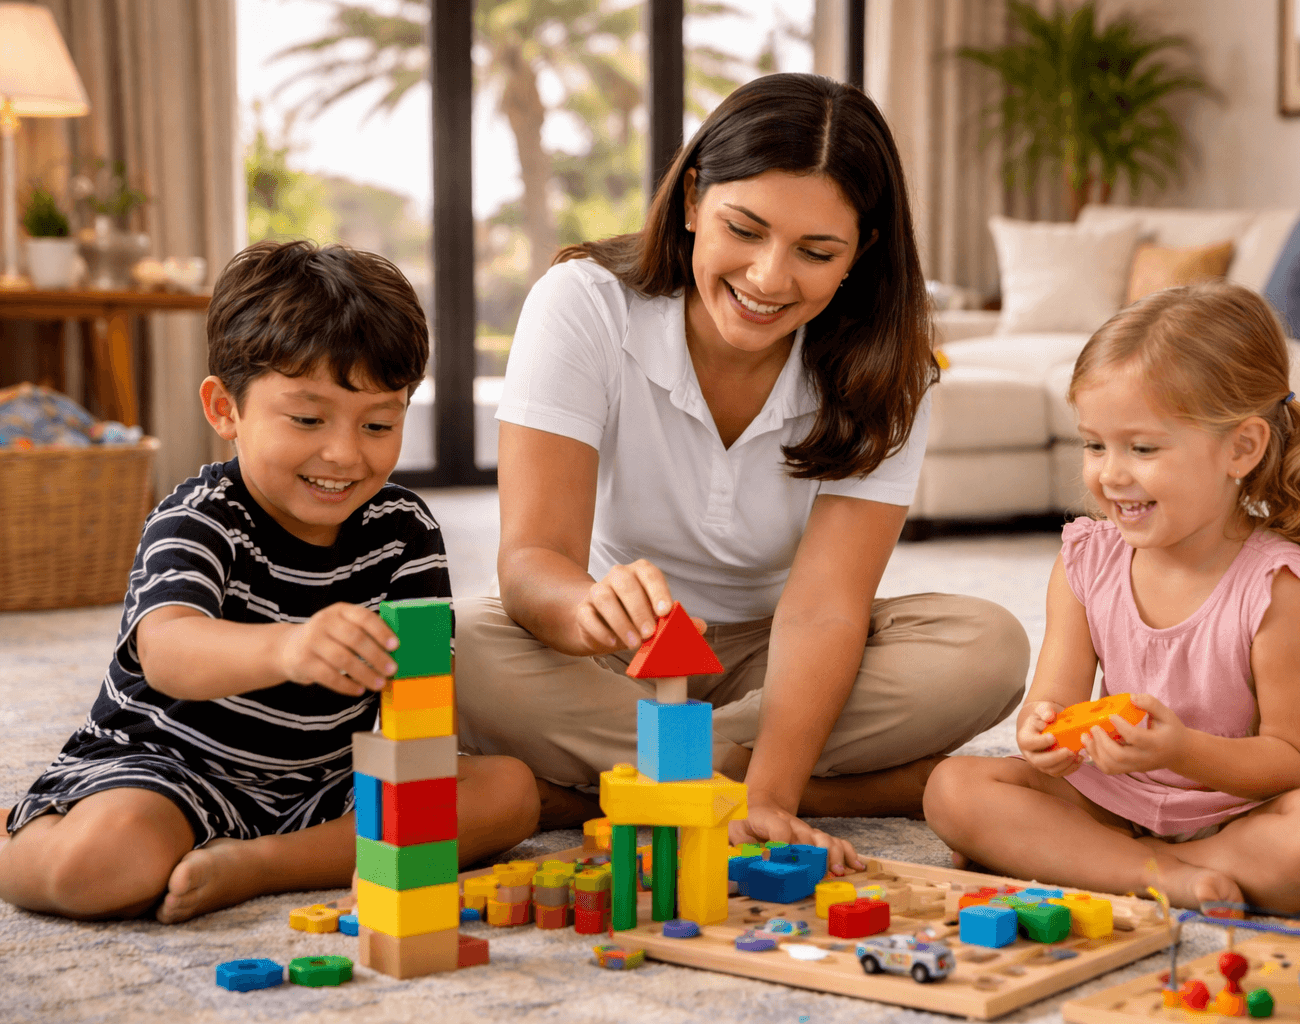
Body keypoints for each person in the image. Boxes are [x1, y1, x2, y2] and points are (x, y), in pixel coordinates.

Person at [455, 73, 1029, 870]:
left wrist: (773, 796)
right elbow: (531, 562)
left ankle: (625, 786)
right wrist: (586, 610)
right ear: (693, 201)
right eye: (745, 230)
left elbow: (825, 609)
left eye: (815, 252)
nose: (768, 278)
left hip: (781, 653)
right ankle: (808, 782)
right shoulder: (584, 303)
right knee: (458, 645)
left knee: (988, 647)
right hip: (615, 654)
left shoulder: (890, 369)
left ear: (860, 253)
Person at [0, 241, 538, 924]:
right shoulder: (199, 517)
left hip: (323, 783)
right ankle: (18, 835)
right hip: (172, 769)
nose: (344, 453)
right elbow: (168, 651)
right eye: (307, 419)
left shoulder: (405, 531)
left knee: (508, 794)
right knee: (101, 866)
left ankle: (256, 866)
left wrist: (408, 839)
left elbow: (423, 697)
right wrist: (288, 648)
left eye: (379, 423)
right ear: (225, 409)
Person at [923, 282, 1300, 913]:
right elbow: (1053, 703)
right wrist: (1042, 735)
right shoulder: (1085, 560)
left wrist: (1181, 749)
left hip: (1249, 807)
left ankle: (1099, 862)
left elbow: (1294, 761)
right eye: (1095, 444)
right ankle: (1163, 873)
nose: (1110, 473)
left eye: (1142, 448)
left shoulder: (1280, 586)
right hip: (1120, 796)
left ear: (1241, 448)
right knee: (953, 789)